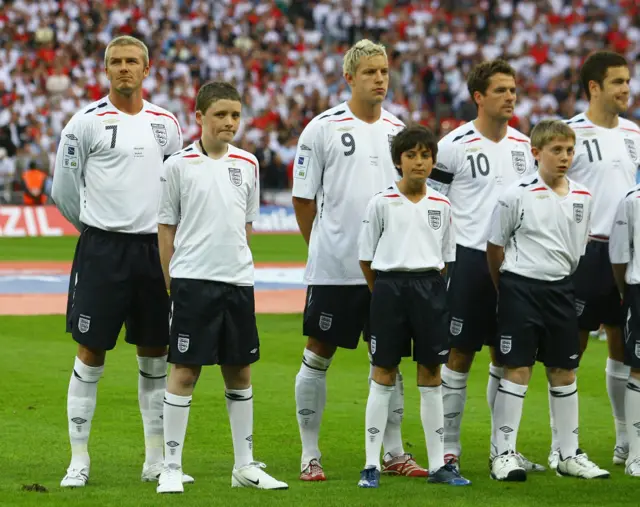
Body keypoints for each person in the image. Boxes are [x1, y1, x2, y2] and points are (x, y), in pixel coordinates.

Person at [51, 35, 189, 487]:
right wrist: (94, 228)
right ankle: (78, 459)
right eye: (116, 61)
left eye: (132, 61)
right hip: (103, 249)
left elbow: (177, 190)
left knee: (155, 353)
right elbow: (64, 191)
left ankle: (153, 460)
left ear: (147, 70)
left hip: (153, 252)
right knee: (91, 354)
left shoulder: (166, 124)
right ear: (105, 68)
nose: (123, 68)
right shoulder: (84, 123)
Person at [291, 39, 426, 481]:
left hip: (388, 271)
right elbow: (303, 199)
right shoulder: (322, 128)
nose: (380, 79)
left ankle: (393, 452)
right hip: (336, 268)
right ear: (349, 78)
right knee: (318, 354)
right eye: (370, 72)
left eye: (384, 71)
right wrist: (323, 247)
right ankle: (310, 453)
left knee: (388, 359)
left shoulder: (398, 131)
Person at [155, 81, 288, 493]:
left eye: (235, 115)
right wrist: (172, 284)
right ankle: (171, 466)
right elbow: (165, 228)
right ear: (199, 118)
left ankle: (244, 466)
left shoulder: (248, 163)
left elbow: (247, 226)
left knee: (240, 371)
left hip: (237, 281)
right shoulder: (177, 165)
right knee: (184, 372)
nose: (229, 122)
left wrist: (240, 269)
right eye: (220, 115)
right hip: (193, 280)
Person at [427, 59, 542, 471]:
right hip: (469, 259)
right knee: (459, 353)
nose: (510, 96)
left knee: (506, 355)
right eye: (501, 90)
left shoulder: (524, 147)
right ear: (479, 96)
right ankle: (449, 448)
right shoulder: (454, 145)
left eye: (513, 89)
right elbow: (433, 205)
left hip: (514, 263)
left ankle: (502, 451)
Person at [487, 119, 609, 481]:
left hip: (560, 289)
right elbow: (495, 247)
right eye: (556, 150)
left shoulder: (583, 197)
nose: (564, 157)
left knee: (564, 370)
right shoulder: (515, 194)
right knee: (518, 368)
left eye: (569, 150)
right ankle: (504, 455)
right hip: (520, 288)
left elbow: (578, 248)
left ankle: (568, 455)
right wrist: (506, 289)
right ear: (536, 153)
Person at [357, 125, 471, 488]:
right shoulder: (381, 202)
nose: (419, 162)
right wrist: (384, 292)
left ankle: (438, 464)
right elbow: (366, 258)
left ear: (433, 160)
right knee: (383, 373)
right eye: (411, 155)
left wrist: (430, 290)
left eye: (425, 155)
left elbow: (446, 258)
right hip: (390, 288)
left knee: (431, 374)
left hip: (430, 288)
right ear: (398, 161)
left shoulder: (442, 204)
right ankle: (371, 464)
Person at [550, 50, 640, 469]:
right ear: (594, 88)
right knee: (571, 347)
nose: (627, 88)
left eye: (628, 80)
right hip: (583, 251)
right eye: (618, 82)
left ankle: (625, 439)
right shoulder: (570, 134)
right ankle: (561, 444)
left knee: (624, 346)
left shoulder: (634, 134)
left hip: (626, 254)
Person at [609, 184, 640, 477]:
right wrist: (626, 292)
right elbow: (618, 255)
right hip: (639, 289)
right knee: (639, 370)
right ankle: (635, 453)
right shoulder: (631, 200)